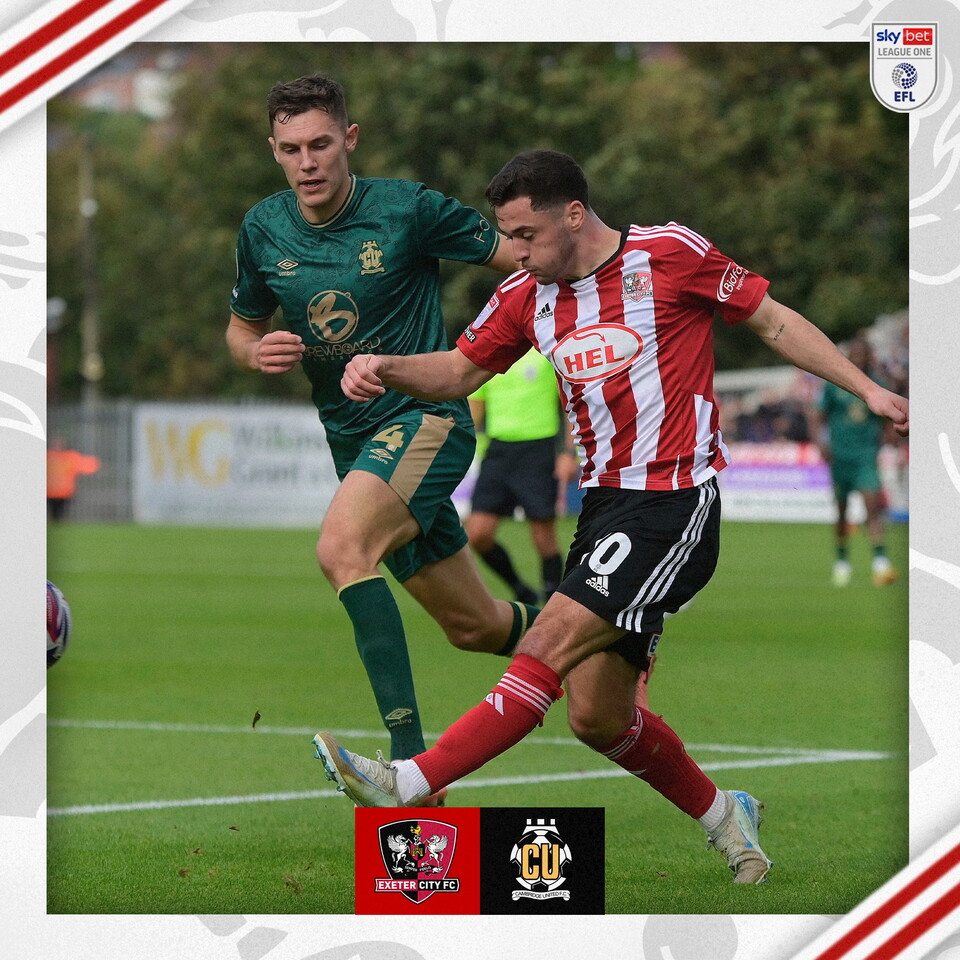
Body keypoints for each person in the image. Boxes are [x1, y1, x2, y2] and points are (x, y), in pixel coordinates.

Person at [315, 149, 909, 883]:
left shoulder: (669, 255)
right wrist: (384, 366)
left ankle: (407, 782)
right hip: (601, 511)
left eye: (527, 234)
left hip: (673, 502)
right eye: (509, 236)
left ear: (573, 214)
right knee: (598, 718)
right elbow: (462, 371)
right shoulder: (525, 295)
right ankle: (727, 813)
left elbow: (775, 322)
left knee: (552, 636)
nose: (518, 251)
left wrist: (868, 390)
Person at [225, 75, 540, 781]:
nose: (307, 162)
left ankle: (407, 771)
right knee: (476, 627)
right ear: (274, 151)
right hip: (356, 447)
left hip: (425, 422)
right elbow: (241, 328)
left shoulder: (408, 209)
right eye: (290, 149)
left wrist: (493, 347)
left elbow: (523, 262)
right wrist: (254, 349)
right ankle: (605, 636)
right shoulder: (263, 229)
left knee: (341, 549)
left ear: (350, 139)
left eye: (320, 144)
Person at [465, 348, 576, 605]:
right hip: (497, 453)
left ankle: (552, 603)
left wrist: (569, 453)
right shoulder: (489, 356)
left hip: (538, 451)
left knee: (542, 535)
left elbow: (570, 407)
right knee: (478, 535)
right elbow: (473, 414)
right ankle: (520, 589)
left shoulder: (546, 353)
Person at [814, 336, 899, 587]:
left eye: (864, 354)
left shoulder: (878, 385)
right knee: (841, 512)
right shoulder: (834, 385)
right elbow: (818, 416)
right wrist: (821, 443)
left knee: (872, 506)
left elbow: (888, 419)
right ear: (850, 356)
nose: (859, 358)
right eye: (856, 354)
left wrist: (888, 438)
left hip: (865, 458)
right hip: (840, 457)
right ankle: (841, 561)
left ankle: (880, 563)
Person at [47, 441, 101, 521]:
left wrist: (94, 463)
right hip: (49, 492)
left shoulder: (69, 457)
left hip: (64, 492)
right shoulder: (48, 457)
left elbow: (86, 465)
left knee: (59, 513)